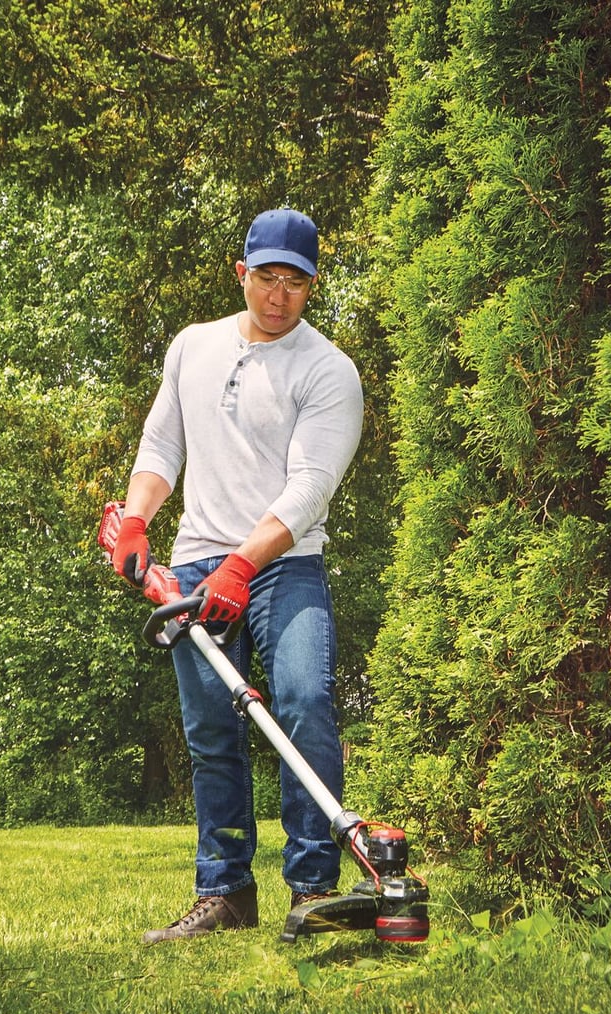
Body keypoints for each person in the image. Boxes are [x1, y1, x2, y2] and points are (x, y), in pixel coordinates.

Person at [108, 207, 364, 944]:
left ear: (312, 287)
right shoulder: (194, 346)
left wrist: (244, 565)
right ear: (240, 272)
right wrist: (136, 518)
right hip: (193, 565)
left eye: (295, 281)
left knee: (305, 704)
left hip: (284, 566)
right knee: (213, 735)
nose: (278, 294)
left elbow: (309, 487)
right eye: (266, 277)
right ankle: (223, 892)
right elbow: (162, 442)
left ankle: (314, 888)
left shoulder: (327, 370)